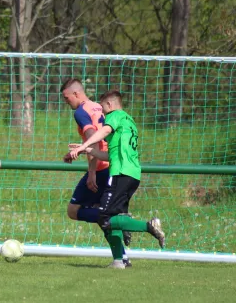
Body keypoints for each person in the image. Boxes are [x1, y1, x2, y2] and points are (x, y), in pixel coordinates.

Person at [69, 90, 165, 269]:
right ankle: (120, 261)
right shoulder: (129, 121)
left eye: (104, 109)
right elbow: (109, 155)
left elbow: (104, 131)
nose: (103, 114)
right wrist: (88, 151)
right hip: (132, 174)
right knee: (110, 216)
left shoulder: (115, 116)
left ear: (110, 105)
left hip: (120, 174)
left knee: (105, 217)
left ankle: (147, 226)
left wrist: (85, 144)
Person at [60, 79, 132, 267]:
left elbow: (93, 139)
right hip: (113, 164)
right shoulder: (98, 107)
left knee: (74, 211)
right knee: (103, 214)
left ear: (76, 94)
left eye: (66, 98)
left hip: (100, 167)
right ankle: (121, 259)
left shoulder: (81, 111)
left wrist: (92, 171)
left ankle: (120, 220)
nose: (66, 102)